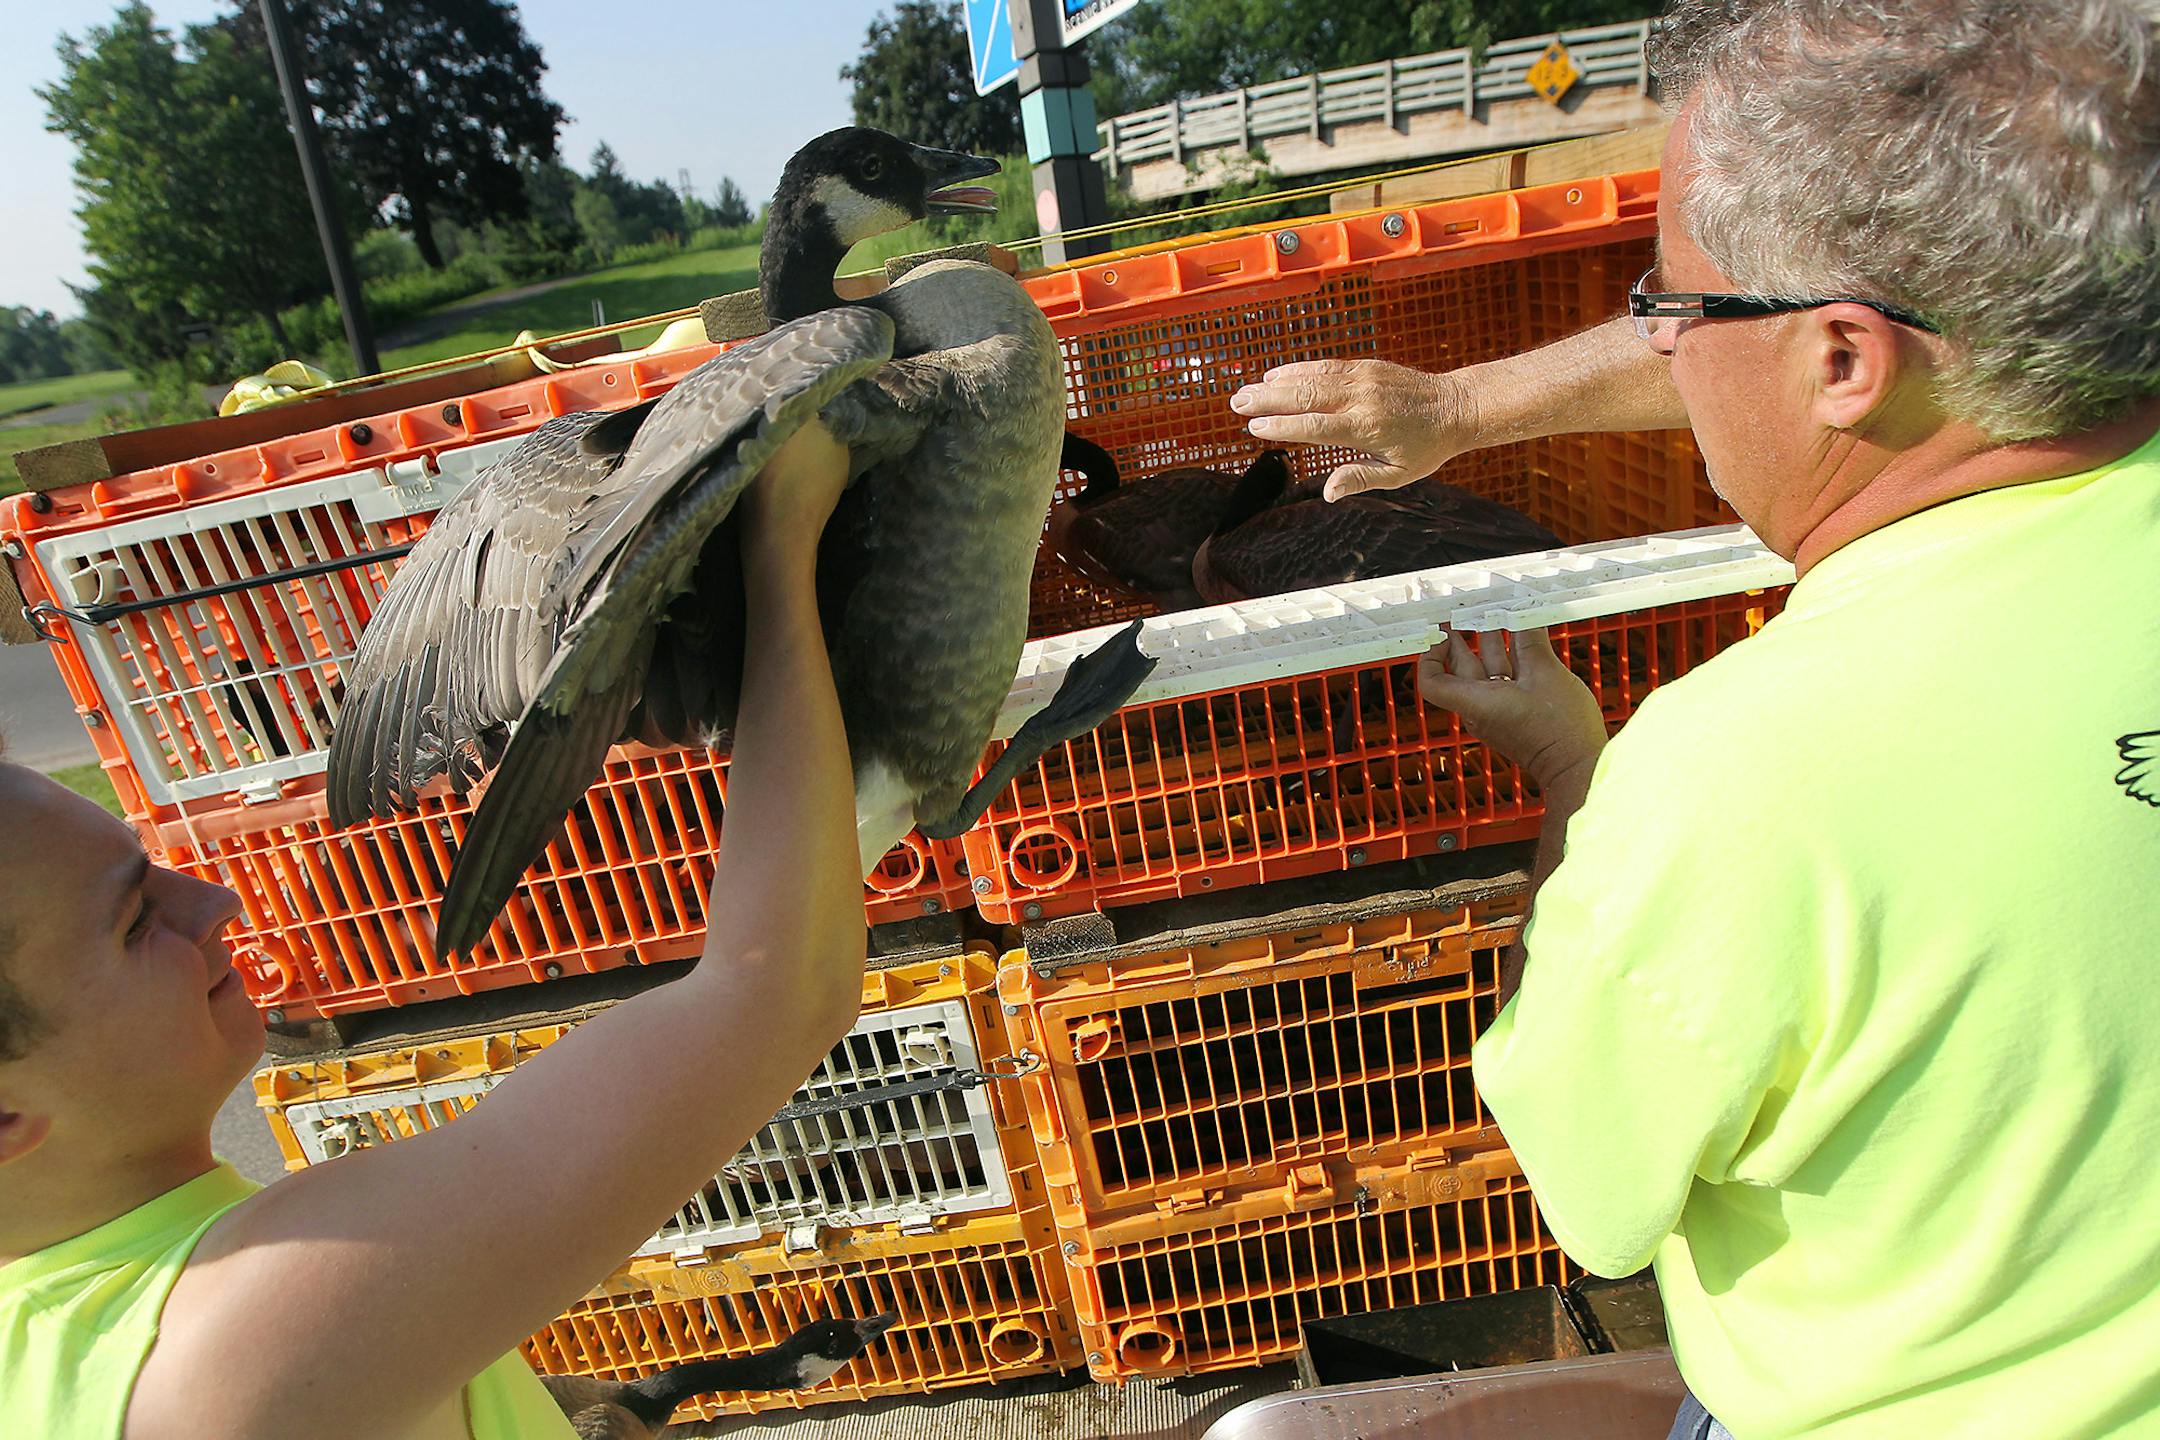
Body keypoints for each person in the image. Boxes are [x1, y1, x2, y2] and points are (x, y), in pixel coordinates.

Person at [1230, 2, 2160, 1435]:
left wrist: (1568, 768)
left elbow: (1591, 1194)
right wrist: (1464, 405)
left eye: (1663, 302)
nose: (1651, 346)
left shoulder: (1731, 777)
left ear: (1847, 361)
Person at [0, 422, 867, 1440]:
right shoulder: (242, 1345)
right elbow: (772, 995)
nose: (214, 902)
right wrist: (782, 536)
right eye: (138, 919)